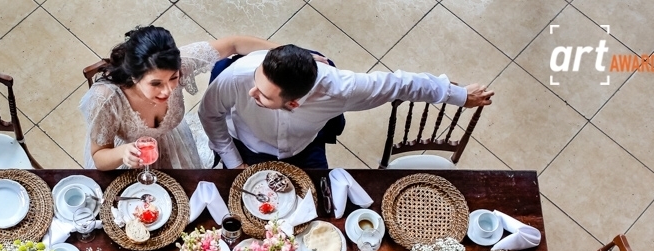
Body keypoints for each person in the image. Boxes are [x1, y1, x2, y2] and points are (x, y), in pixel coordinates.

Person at [199, 44, 495, 169]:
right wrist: (234, 161)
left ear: (292, 102)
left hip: (303, 151)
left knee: (323, 216)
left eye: (263, 95)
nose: (252, 92)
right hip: (246, 146)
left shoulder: (341, 88)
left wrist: (457, 95)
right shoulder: (238, 77)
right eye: (256, 81)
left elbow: (401, 83)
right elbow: (209, 114)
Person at [80, 26, 280, 170]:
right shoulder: (105, 99)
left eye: (173, 78)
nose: (167, 91)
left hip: (173, 143)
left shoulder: (180, 62)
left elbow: (235, 44)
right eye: (156, 84)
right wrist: (123, 153)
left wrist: (293, 53)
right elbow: (99, 156)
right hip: (129, 157)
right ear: (134, 77)